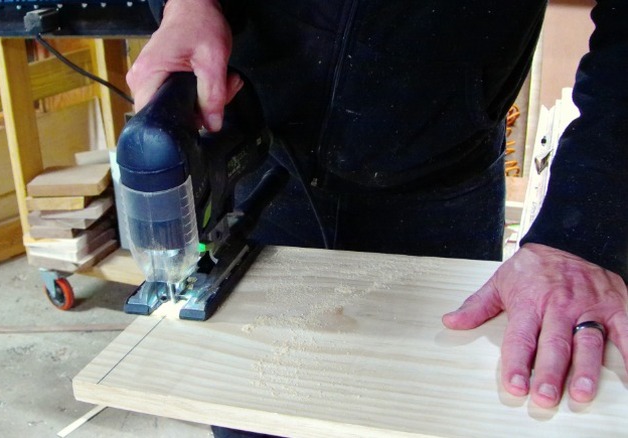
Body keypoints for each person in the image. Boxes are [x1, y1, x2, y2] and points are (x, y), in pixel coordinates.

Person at [128, 0, 628, 434]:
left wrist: (582, 233)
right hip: (262, 143)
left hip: (439, 173)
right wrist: (186, 4)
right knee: (257, 416)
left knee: (435, 416)